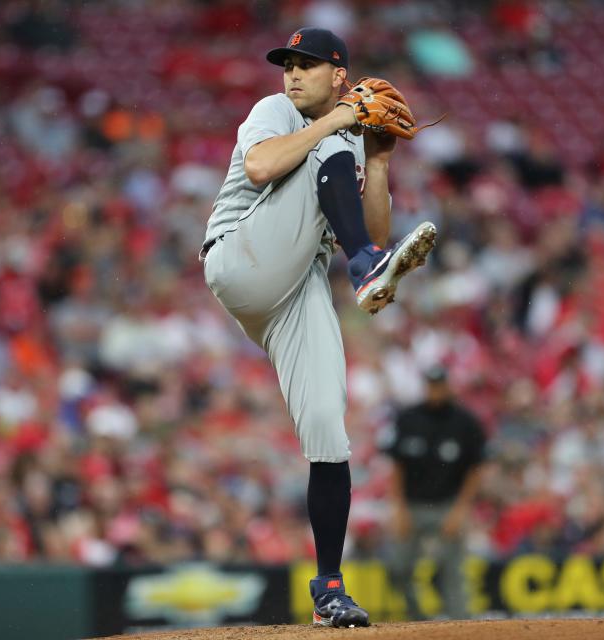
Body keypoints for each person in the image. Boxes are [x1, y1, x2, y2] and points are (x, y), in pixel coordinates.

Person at [200, 27, 437, 628]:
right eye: (288, 65)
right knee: (327, 153)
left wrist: (378, 158)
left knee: (329, 430)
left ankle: (330, 587)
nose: (293, 75)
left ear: (339, 75)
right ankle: (362, 272)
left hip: (296, 285)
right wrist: (340, 126)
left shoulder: (345, 137)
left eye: (307, 65)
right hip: (240, 253)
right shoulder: (275, 110)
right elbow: (258, 166)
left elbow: (376, 227)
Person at [381, 365, 486, 620]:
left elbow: (475, 470)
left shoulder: (465, 422)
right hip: (413, 506)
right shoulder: (408, 419)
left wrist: (460, 510)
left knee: (452, 570)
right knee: (398, 568)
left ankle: (460, 625)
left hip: (447, 505)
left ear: (447, 386)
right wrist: (398, 509)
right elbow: (396, 467)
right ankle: (417, 621)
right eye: (430, 385)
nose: (435, 391)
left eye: (439, 385)